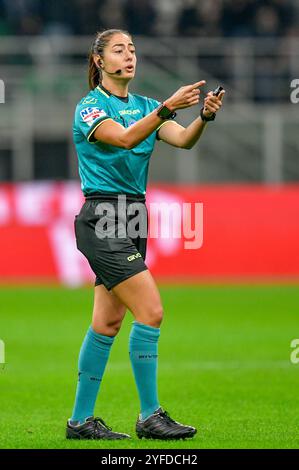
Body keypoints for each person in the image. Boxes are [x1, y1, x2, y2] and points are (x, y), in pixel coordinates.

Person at [66, 28, 224, 441]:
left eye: (133, 49)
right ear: (99, 61)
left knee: (107, 321)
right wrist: (168, 107)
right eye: (119, 49)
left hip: (134, 216)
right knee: (151, 310)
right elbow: (122, 139)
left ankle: (80, 422)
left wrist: (202, 118)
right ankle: (150, 415)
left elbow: (185, 141)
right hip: (103, 217)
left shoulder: (146, 106)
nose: (130, 55)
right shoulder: (89, 107)